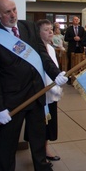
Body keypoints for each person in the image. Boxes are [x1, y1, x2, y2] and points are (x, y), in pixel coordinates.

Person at [0, 0, 68, 171]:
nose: (13, 14)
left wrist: (56, 74)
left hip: (37, 95)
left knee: (38, 138)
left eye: (14, 9)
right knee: (7, 144)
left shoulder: (28, 27)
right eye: (7, 12)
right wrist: (0, 107)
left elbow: (42, 55)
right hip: (13, 100)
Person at [35, 19, 63, 163]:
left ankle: (45, 148)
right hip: (40, 92)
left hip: (51, 92)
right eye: (46, 29)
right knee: (39, 125)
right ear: (38, 32)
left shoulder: (51, 48)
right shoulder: (34, 49)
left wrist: (57, 87)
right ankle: (39, 153)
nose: (51, 31)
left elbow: (54, 69)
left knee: (49, 123)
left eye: (51, 29)